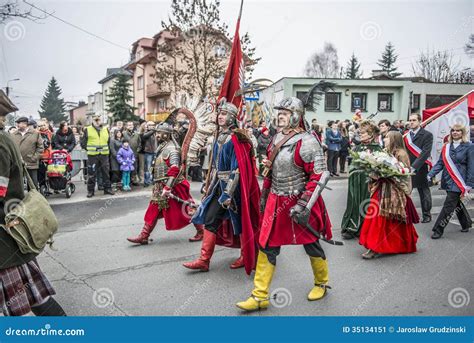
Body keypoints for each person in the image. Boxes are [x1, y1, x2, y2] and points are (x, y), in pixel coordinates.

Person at [236, 97, 333, 312]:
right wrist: (264, 195)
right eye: (279, 112)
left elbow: (320, 175)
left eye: (285, 113)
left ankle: (321, 283)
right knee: (267, 245)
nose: (280, 116)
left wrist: (304, 204)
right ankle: (260, 295)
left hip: (300, 200)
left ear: (296, 116)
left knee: (311, 243)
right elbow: (271, 171)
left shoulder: (307, 141)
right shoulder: (277, 138)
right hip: (276, 200)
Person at [0, 95, 66, 316]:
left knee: (34, 300)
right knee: (35, 298)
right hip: (8, 236)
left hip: (5, 237)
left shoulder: (0, 142)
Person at [183, 100, 261, 273]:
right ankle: (204, 260)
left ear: (232, 117)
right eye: (219, 113)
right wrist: (209, 184)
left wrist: (228, 193)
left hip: (235, 189)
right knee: (210, 218)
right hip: (218, 186)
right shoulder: (219, 137)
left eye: (224, 114)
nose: (220, 116)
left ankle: (246, 254)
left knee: (240, 221)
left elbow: (237, 169)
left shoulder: (236, 139)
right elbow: (216, 167)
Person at [127, 122, 204, 244]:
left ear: (166, 134)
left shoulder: (171, 149)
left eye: (159, 133)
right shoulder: (162, 146)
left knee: (187, 208)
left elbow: (174, 169)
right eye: (157, 132)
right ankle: (144, 235)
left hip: (174, 186)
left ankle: (201, 231)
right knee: (153, 208)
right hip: (160, 185)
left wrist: (168, 187)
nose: (157, 135)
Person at [359, 131, 419, 259]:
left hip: (394, 190)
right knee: (377, 216)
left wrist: (392, 176)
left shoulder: (401, 154)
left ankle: (376, 247)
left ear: (394, 139)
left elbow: (405, 172)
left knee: (386, 218)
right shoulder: (385, 152)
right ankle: (377, 245)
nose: (384, 139)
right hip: (382, 187)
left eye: (387, 138)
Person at [428, 124, 473, 239]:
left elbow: (471, 166)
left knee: (448, 205)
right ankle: (466, 223)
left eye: (458, 131)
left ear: (463, 133)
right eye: (453, 130)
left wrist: (469, 184)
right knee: (456, 202)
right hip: (447, 180)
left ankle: (438, 229)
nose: (455, 132)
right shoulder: (446, 147)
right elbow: (440, 163)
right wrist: (430, 174)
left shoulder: (469, 146)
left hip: (460, 181)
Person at [341, 121, 382, 239]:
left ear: (371, 134)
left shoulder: (377, 148)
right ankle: (351, 227)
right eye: (360, 133)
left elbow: (380, 166)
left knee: (367, 202)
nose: (361, 135)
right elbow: (352, 164)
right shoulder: (357, 147)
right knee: (353, 202)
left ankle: (364, 228)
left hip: (368, 181)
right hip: (354, 180)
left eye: (363, 133)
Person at [404, 113, 433, 223]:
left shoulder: (427, 135)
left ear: (419, 121)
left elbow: (425, 153)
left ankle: (426, 214)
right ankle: (407, 214)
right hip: (407, 166)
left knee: (423, 191)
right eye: (410, 120)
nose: (411, 122)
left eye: (414, 120)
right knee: (406, 191)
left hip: (420, 167)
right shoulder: (405, 135)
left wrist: (414, 166)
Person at [81, 115, 115, 197]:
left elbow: (108, 141)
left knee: (106, 173)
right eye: (95, 120)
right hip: (92, 155)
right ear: (92, 120)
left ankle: (107, 189)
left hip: (104, 155)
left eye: (98, 120)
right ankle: (90, 191)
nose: (97, 121)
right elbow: (83, 143)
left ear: (101, 120)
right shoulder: (87, 130)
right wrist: (89, 149)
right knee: (92, 173)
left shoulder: (105, 129)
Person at [11, 116, 44, 188]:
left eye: (19, 123)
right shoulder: (13, 135)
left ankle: (34, 198)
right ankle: (20, 199)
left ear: (25, 124)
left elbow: (40, 148)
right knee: (18, 185)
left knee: (33, 185)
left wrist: (34, 158)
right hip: (18, 163)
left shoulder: (35, 134)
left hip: (31, 163)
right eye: (17, 123)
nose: (17, 125)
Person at [122, 121, 140, 185]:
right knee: (127, 168)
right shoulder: (123, 134)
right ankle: (127, 181)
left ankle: (134, 180)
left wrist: (138, 150)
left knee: (134, 168)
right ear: (127, 126)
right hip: (126, 154)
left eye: (131, 125)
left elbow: (139, 143)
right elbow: (121, 143)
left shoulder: (136, 134)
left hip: (134, 154)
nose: (131, 126)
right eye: (129, 125)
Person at [140, 121, 157, 187]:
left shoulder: (155, 132)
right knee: (147, 168)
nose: (152, 126)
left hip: (154, 152)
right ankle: (146, 182)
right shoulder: (145, 133)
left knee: (153, 167)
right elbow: (145, 136)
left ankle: (153, 180)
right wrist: (154, 130)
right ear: (148, 126)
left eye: (153, 125)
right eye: (151, 125)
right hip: (148, 153)